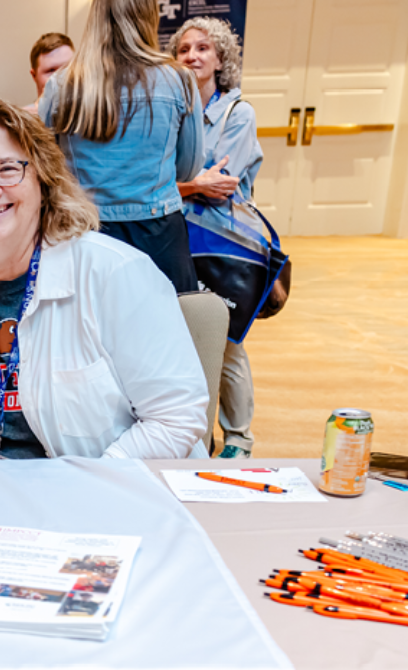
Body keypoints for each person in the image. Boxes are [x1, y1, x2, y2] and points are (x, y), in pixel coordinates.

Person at [0, 95, 208, 462]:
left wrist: (80, 493)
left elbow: (176, 417)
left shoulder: (115, 274)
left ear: (43, 178)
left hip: (109, 502)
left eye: (7, 169)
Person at [38, 0, 204, 294]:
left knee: (87, 335)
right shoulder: (179, 80)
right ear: (149, 16)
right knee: (164, 333)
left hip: (85, 233)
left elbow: (46, 170)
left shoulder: (62, 84)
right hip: (159, 235)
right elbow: (188, 169)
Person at [170, 16, 263, 459]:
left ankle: (239, 440)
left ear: (220, 58)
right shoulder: (171, 107)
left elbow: (221, 179)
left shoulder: (238, 113)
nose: (192, 56)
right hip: (177, 239)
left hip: (223, 244)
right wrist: (192, 183)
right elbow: (177, 178)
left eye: (202, 48)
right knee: (186, 336)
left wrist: (182, 183)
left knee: (227, 341)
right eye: (184, 49)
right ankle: (198, 435)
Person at [25, 31, 74, 113]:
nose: (62, 78)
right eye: (51, 71)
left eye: (68, 68)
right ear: (34, 75)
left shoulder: (90, 119)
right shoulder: (21, 122)